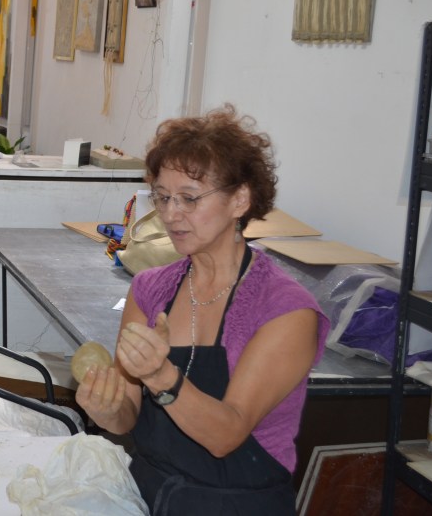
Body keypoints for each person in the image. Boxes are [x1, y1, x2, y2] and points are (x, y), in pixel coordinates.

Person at [75, 105, 329, 515]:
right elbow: (128, 417)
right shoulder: (150, 289)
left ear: (240, 200)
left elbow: (226, 435)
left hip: (238, 504)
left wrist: (161, 376)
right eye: (162, 197)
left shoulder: (286, 311)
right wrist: (107, 409)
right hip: (148, 492)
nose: (171, 214)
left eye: (190, 199)